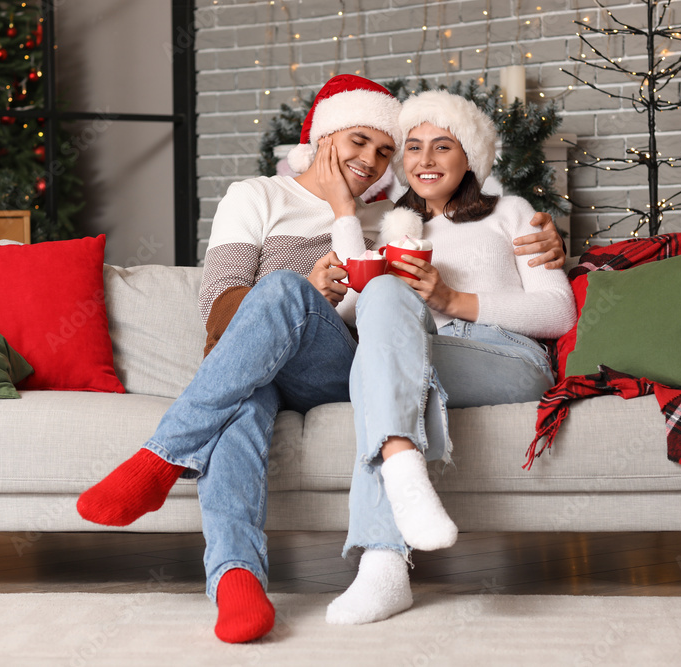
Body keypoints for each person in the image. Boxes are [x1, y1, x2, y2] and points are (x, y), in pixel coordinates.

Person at [76, 75, 566, 644]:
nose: (372, 161)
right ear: (326, 136)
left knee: (289, 298)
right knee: (251, 380)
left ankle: (162, 456)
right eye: (360, 142)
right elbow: (219, 310)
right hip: (253, 363)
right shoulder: (258, 196)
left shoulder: (386, 221)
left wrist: (543, 238)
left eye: (386, 151)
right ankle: (236, 579)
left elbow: (387, 310)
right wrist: (305, 287)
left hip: (334, 367)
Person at [323, 90, 578, 625]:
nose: (425, 160)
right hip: (422, 359)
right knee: (383, 306)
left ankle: (383, 558)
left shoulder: (513, 212)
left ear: (470, 158)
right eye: (412, 147)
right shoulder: (393, 228)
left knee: (375, 373)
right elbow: (354, 314)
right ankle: (399, 487)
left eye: (443, 146)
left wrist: (450, 300)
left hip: (504, 357)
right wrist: (346, 219)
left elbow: (558, 313)